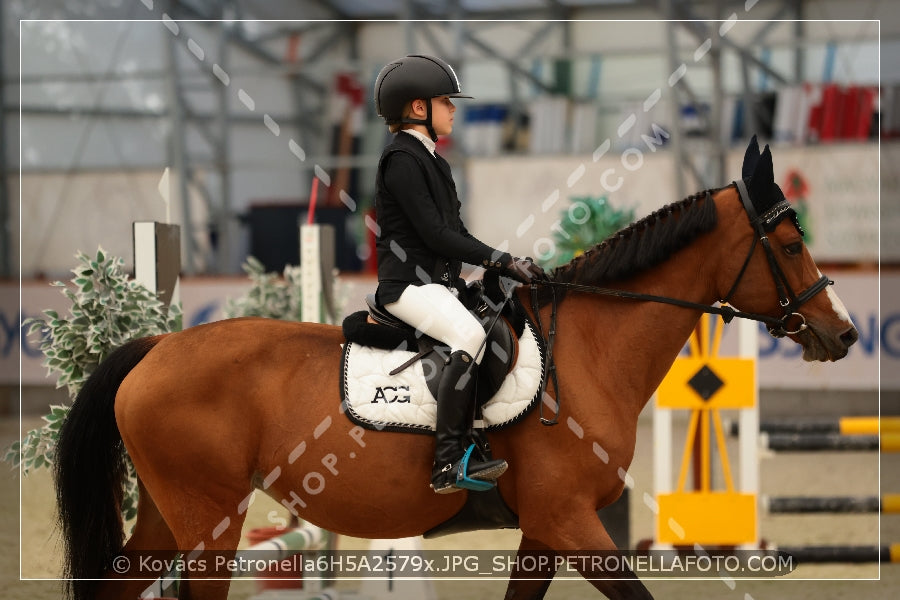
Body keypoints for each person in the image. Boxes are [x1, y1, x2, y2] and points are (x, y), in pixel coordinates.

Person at [372, 54, 545, 494]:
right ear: (418, 109)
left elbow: (456, 233)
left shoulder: (435, 162)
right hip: (407, 287)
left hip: (437, 285)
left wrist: (499, 267)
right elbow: (435, 235)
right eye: (446, 101)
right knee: (469, 336)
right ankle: (448, 461)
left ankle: (478, 438)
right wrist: (500, 258)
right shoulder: (401, 160)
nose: (453, 109)